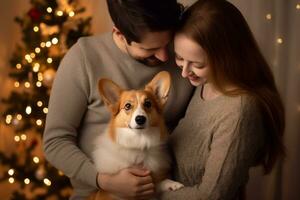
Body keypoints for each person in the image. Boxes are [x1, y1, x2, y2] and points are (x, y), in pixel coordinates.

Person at [42, 0, 194, 199]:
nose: (165, 57)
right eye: (149, 49)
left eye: (168, 43)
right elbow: (55, 142)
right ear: (119, 33)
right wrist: (104, 180)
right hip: (97, 193)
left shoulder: (188, 58)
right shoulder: (84, 58)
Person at [159, 0, 285, 199]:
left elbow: (212, 195)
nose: (184, 72)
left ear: (226, 57)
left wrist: (150, 194)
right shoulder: (204, 84)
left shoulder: (240, 111)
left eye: (197, 64)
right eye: (179, 58)